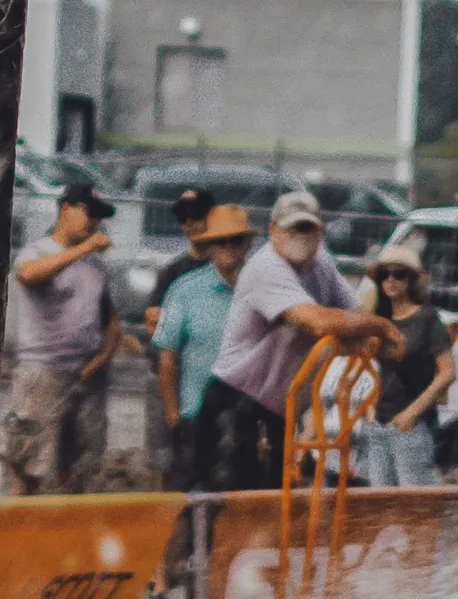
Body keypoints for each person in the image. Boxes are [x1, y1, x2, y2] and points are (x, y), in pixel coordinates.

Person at [199, 192, 402, 492]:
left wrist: (371, 334)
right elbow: (317, 322)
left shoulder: (321, 264)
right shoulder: (266, 267)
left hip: (278, 409)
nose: (300, 236)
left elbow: (356, 317)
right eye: (291, 228)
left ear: (320, 232)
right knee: (224, 507)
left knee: (270, 505)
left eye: (307, 228)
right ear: (273, 231)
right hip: (234, 403)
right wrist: (384, 327)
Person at [3, 183, 122, 495]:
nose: (94, 222)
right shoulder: (39, 251)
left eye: (99, 217)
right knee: (29, 461)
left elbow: (111, 319)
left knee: (82, 463)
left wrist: (103, 357)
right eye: (89, 213)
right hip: (43, 373)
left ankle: (66, 534)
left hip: (87, 375)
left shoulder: (97, 265)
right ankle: (17, 530)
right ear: (66, 208)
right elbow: (28, 274)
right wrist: (84, 249)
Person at [152, 204, 251, 492]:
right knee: (194, 501)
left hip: (248, 418)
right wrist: (174, 416)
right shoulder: (184, 290)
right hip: (196, 417)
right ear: (209, 245)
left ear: (248, 245)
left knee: (243, 502)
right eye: (222, 240)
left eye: (237, 240)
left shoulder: (264, 290)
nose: (229, 247)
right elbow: (167, 357)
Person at [358, 245, 455, 487]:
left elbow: (448, 372)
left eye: (398, 274)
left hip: (411, 428)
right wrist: (368, 407)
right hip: (377, 425)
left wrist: (411, 414)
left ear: (411, 279)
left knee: (412, 509)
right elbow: (367, 365)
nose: (390, 280)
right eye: (384, 275)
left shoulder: (427, 319)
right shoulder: (380, 320)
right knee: (381, 508)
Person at [146, 187, 218, 332]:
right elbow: (153, 322)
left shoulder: (226, 267)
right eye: (182, 218)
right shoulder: (172, 271)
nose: (188, 223)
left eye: (196, 215)